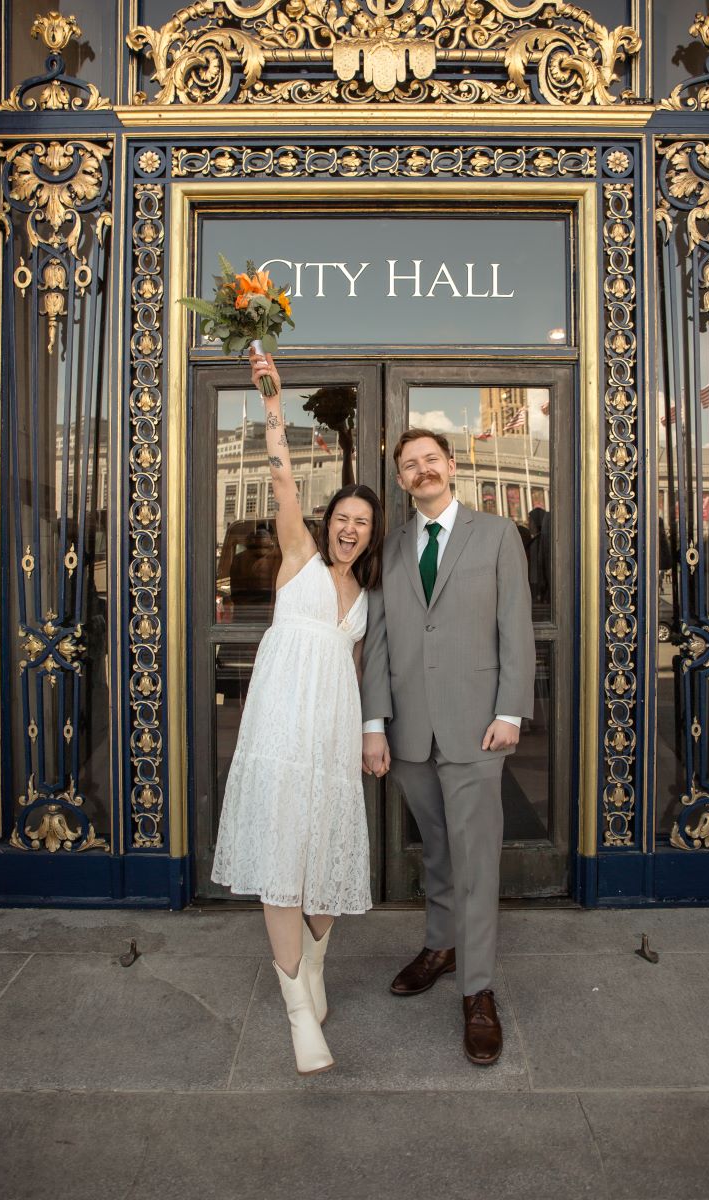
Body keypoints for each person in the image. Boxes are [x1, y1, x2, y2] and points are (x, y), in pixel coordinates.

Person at [212, 348, 385, 1077]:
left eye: (362, 524)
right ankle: (294, 1011)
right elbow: (281, 472)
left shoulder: (365, 599)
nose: (349, 530)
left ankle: (313, 966)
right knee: (285, 860)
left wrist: (364, 736)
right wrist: (270, 392)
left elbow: (350, 670)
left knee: (327, 868)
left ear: (371, 536)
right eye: (343, 517)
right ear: (326, 520)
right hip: (282, 727)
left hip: (331, 735)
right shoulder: (298, 557)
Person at [361, 428, 535, 1066]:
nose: (421, 470)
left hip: (475, 727)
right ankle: (441, 946)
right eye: (410, 465)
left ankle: (478, 989)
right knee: (436, 848)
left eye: (430, 459)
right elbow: (378, 639)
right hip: (409, 733)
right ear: (402, 479)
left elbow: (514, 625)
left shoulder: (495, 534)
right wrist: (373, 725)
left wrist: (510, 710)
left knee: (476, 858)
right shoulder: (393, 545)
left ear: (452, 466)